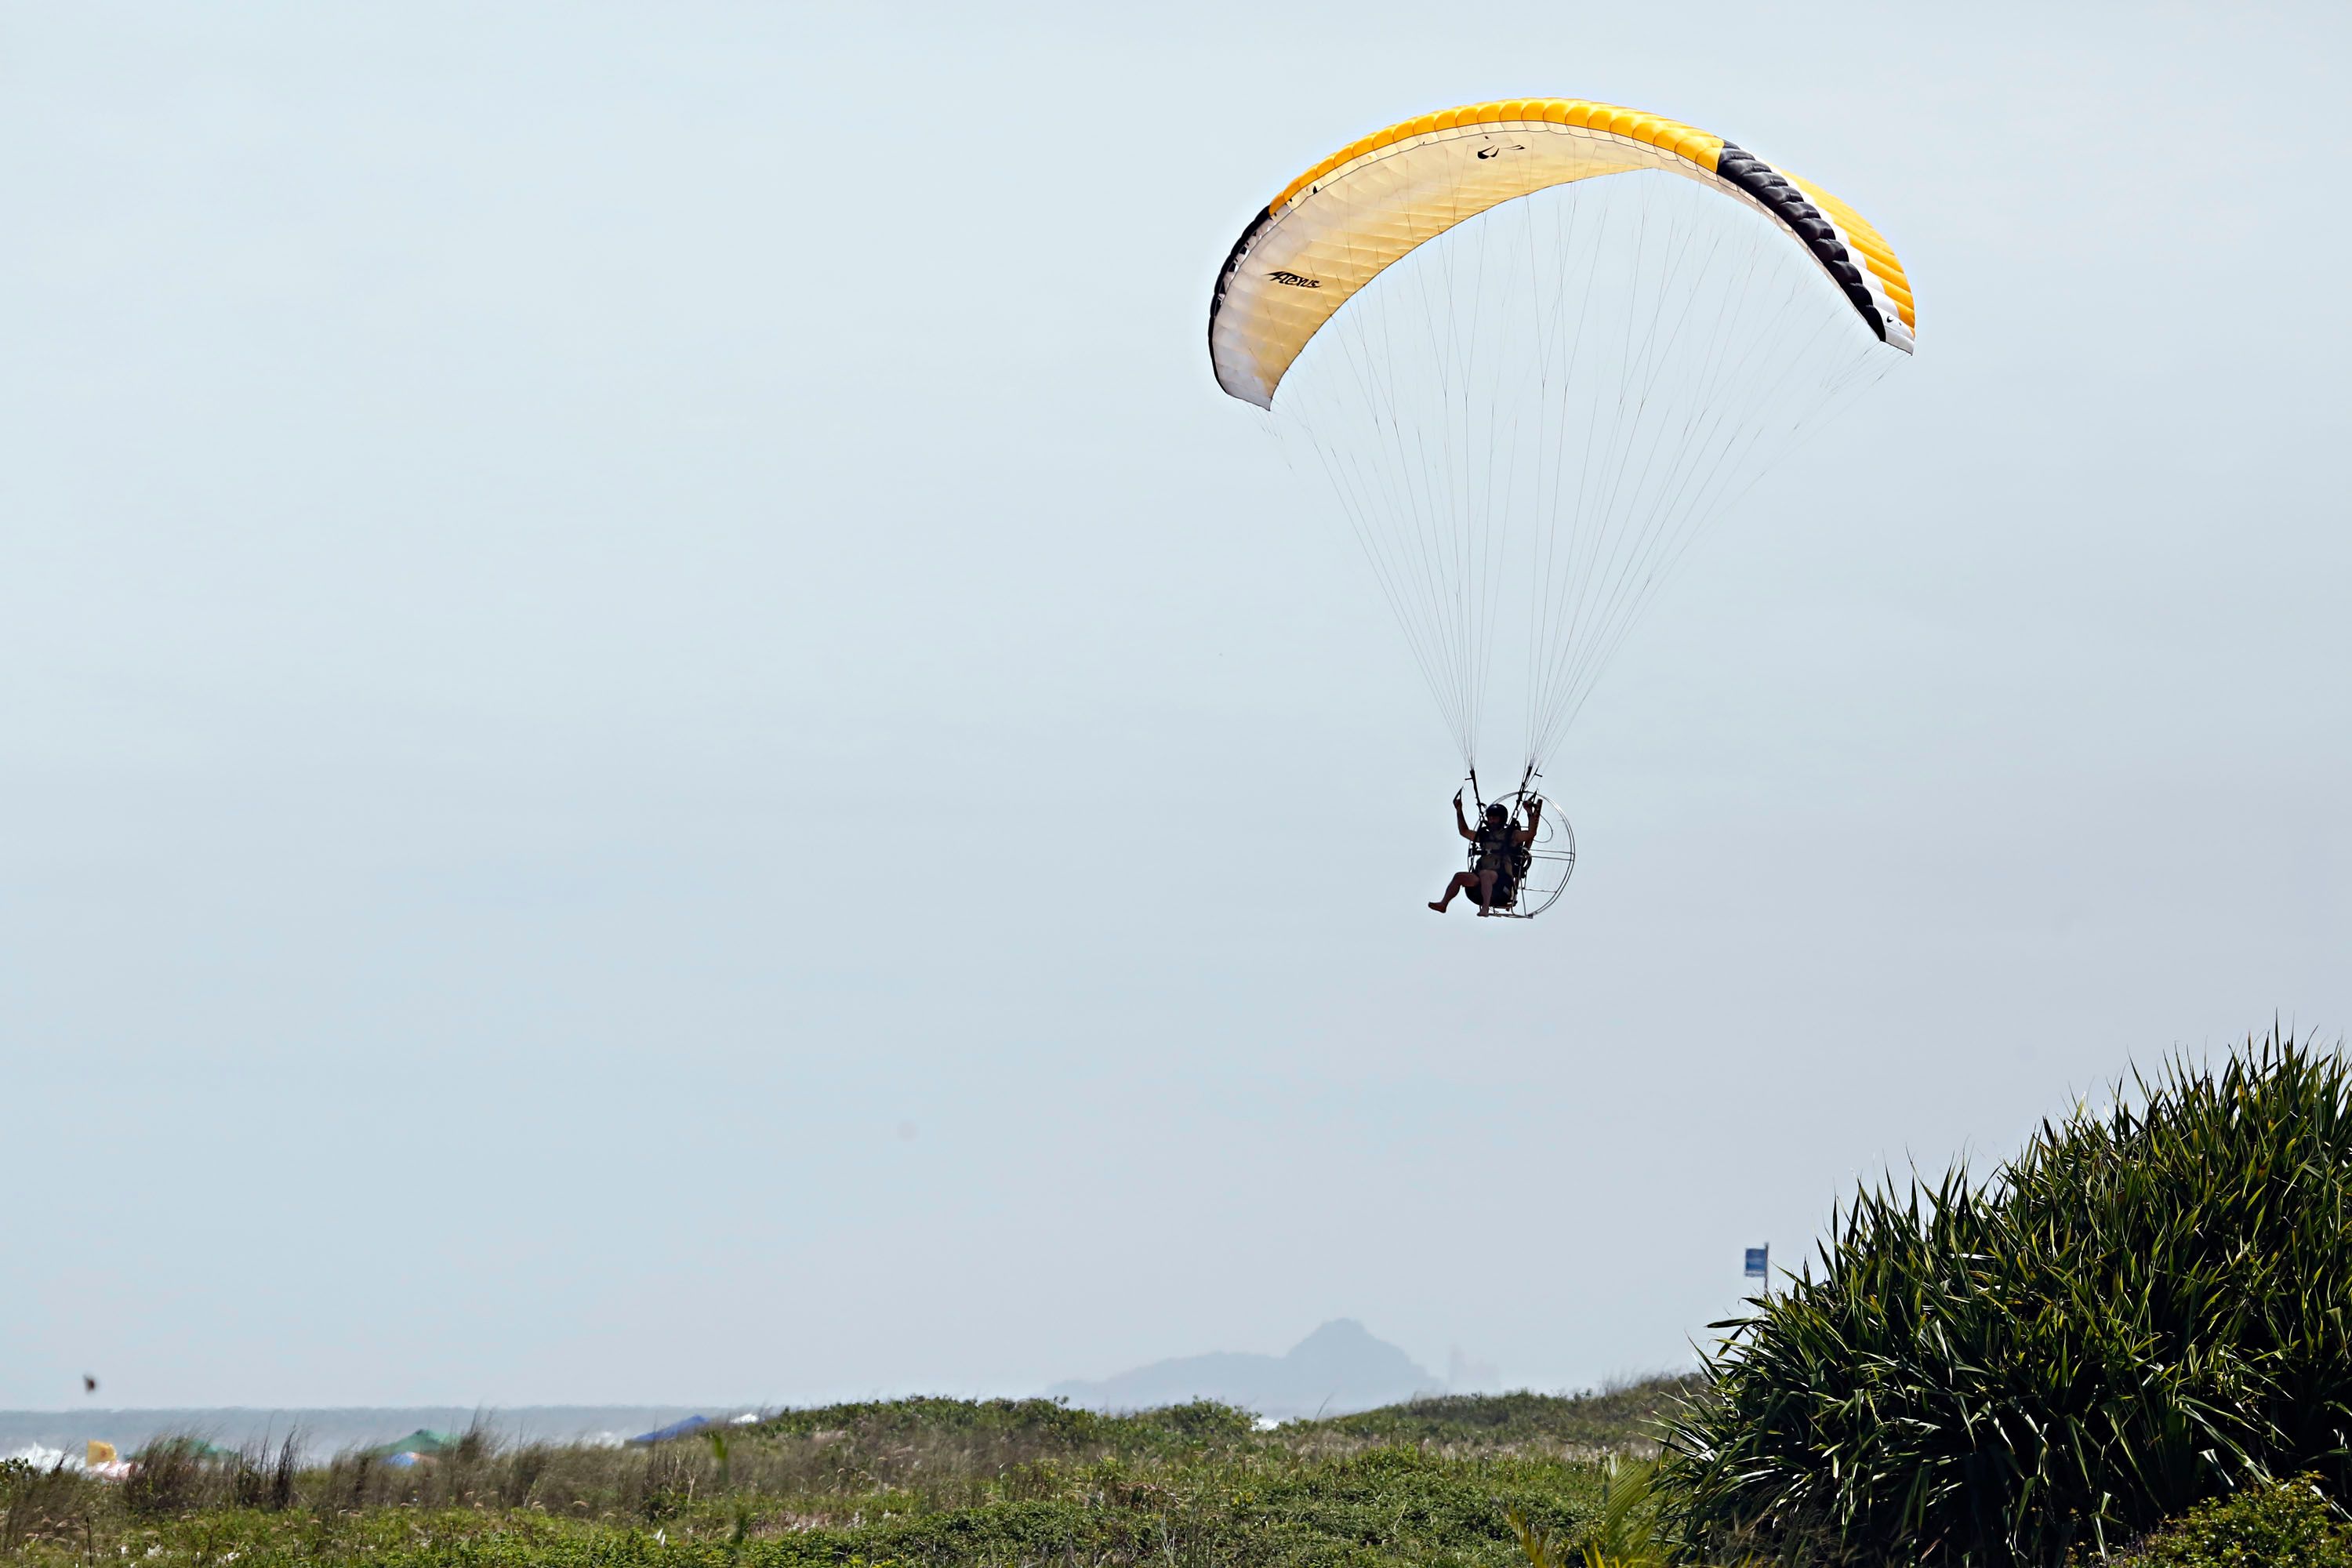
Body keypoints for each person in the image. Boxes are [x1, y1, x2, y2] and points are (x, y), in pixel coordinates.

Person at [1428, 792, 1541, 915]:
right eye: (1490, 818)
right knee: (1459, 876)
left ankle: (1485, 908)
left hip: (1501, 881)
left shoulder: (1512, 835)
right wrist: (1459, 810)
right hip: (1481, 881)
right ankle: (1443, 904)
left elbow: (1530, 834)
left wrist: (1529, 812)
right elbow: (1464, 832)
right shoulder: (1484, 836)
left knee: (1485, 874)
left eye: (1495, 818)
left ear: (1502, 819)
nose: (1491, 820)